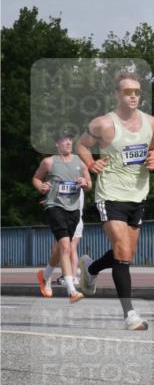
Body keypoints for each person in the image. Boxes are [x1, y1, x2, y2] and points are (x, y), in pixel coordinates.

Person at [77, 71, 154, 331]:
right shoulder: (103, 124)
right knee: (122, 251)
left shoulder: (151, 123)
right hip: (110, 194)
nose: (133, 96)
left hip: (137, 194)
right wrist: (91, 162)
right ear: (117, 94)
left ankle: (91, 269)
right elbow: (81, 145)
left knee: (125, 254)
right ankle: (130, 314)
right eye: (127, 92)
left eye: (137, 92)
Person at [33, 130, 91, 303]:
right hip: (55, 206)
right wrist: (40, 186)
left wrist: (85, 183)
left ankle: (45, 276)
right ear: (57, 144)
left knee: (60, 249)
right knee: (65, 246)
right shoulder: (49, 162)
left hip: (73, 210)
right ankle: (71, 291)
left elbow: (89, 184)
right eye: (64, 140)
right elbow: (36, 178)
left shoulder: (80, 163)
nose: (68, 142)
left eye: (70, 140)